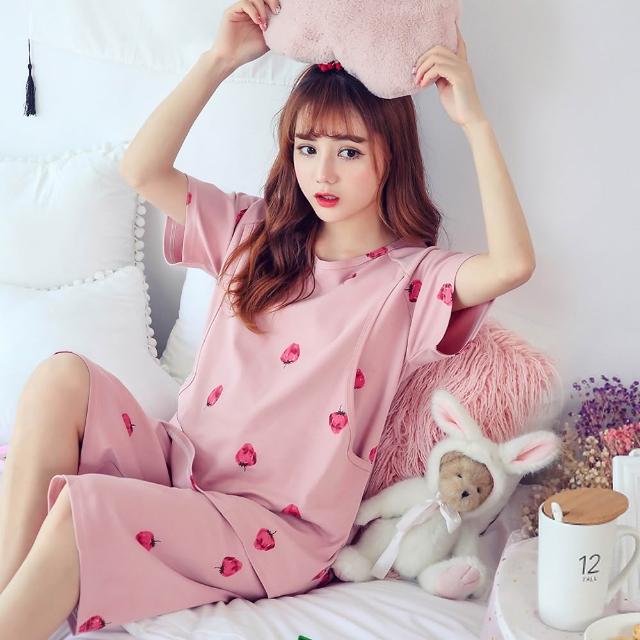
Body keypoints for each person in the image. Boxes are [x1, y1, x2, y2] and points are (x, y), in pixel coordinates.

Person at [0, 1, 535, 638]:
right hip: (179, 472)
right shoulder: (251, 231)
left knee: (83, 510)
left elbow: (512, 264)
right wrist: (219, 59)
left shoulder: (410, 281)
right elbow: (140, 170)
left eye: (348, 151)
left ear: (391, 156)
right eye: (307, 148)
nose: (322, 172)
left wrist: (474, 120)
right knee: (60, 377)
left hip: (274, 530)